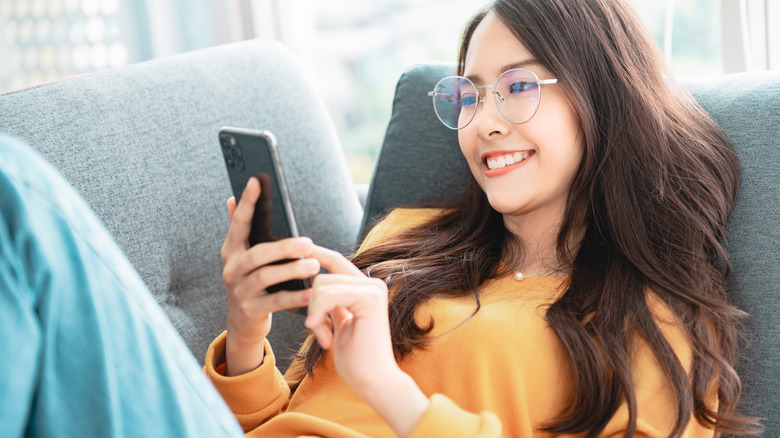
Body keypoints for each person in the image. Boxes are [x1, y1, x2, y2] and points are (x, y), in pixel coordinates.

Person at [209, 0, 764, 437]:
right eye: (470, 95)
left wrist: (387, 386)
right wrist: (246, 332)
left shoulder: (652, 321)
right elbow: (278, 421)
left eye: (518, 87)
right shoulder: (401, 238)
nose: (485, 123)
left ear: (602, 93)